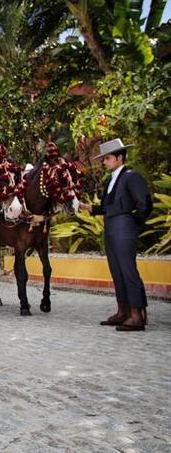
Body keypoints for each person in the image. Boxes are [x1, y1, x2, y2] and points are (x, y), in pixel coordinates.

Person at [79, 138, 153, 331]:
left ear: (119, 158)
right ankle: (123, 311)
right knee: (117, 271)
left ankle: (137, 315)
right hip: (111, 228)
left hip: (124, 228)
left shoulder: (131, 176)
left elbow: (145, 204)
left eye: (107, 158)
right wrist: (89, 207)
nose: (104, 162)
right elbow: (108, 207)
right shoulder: (112, 179)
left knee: (128, 270)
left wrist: (131, 223)